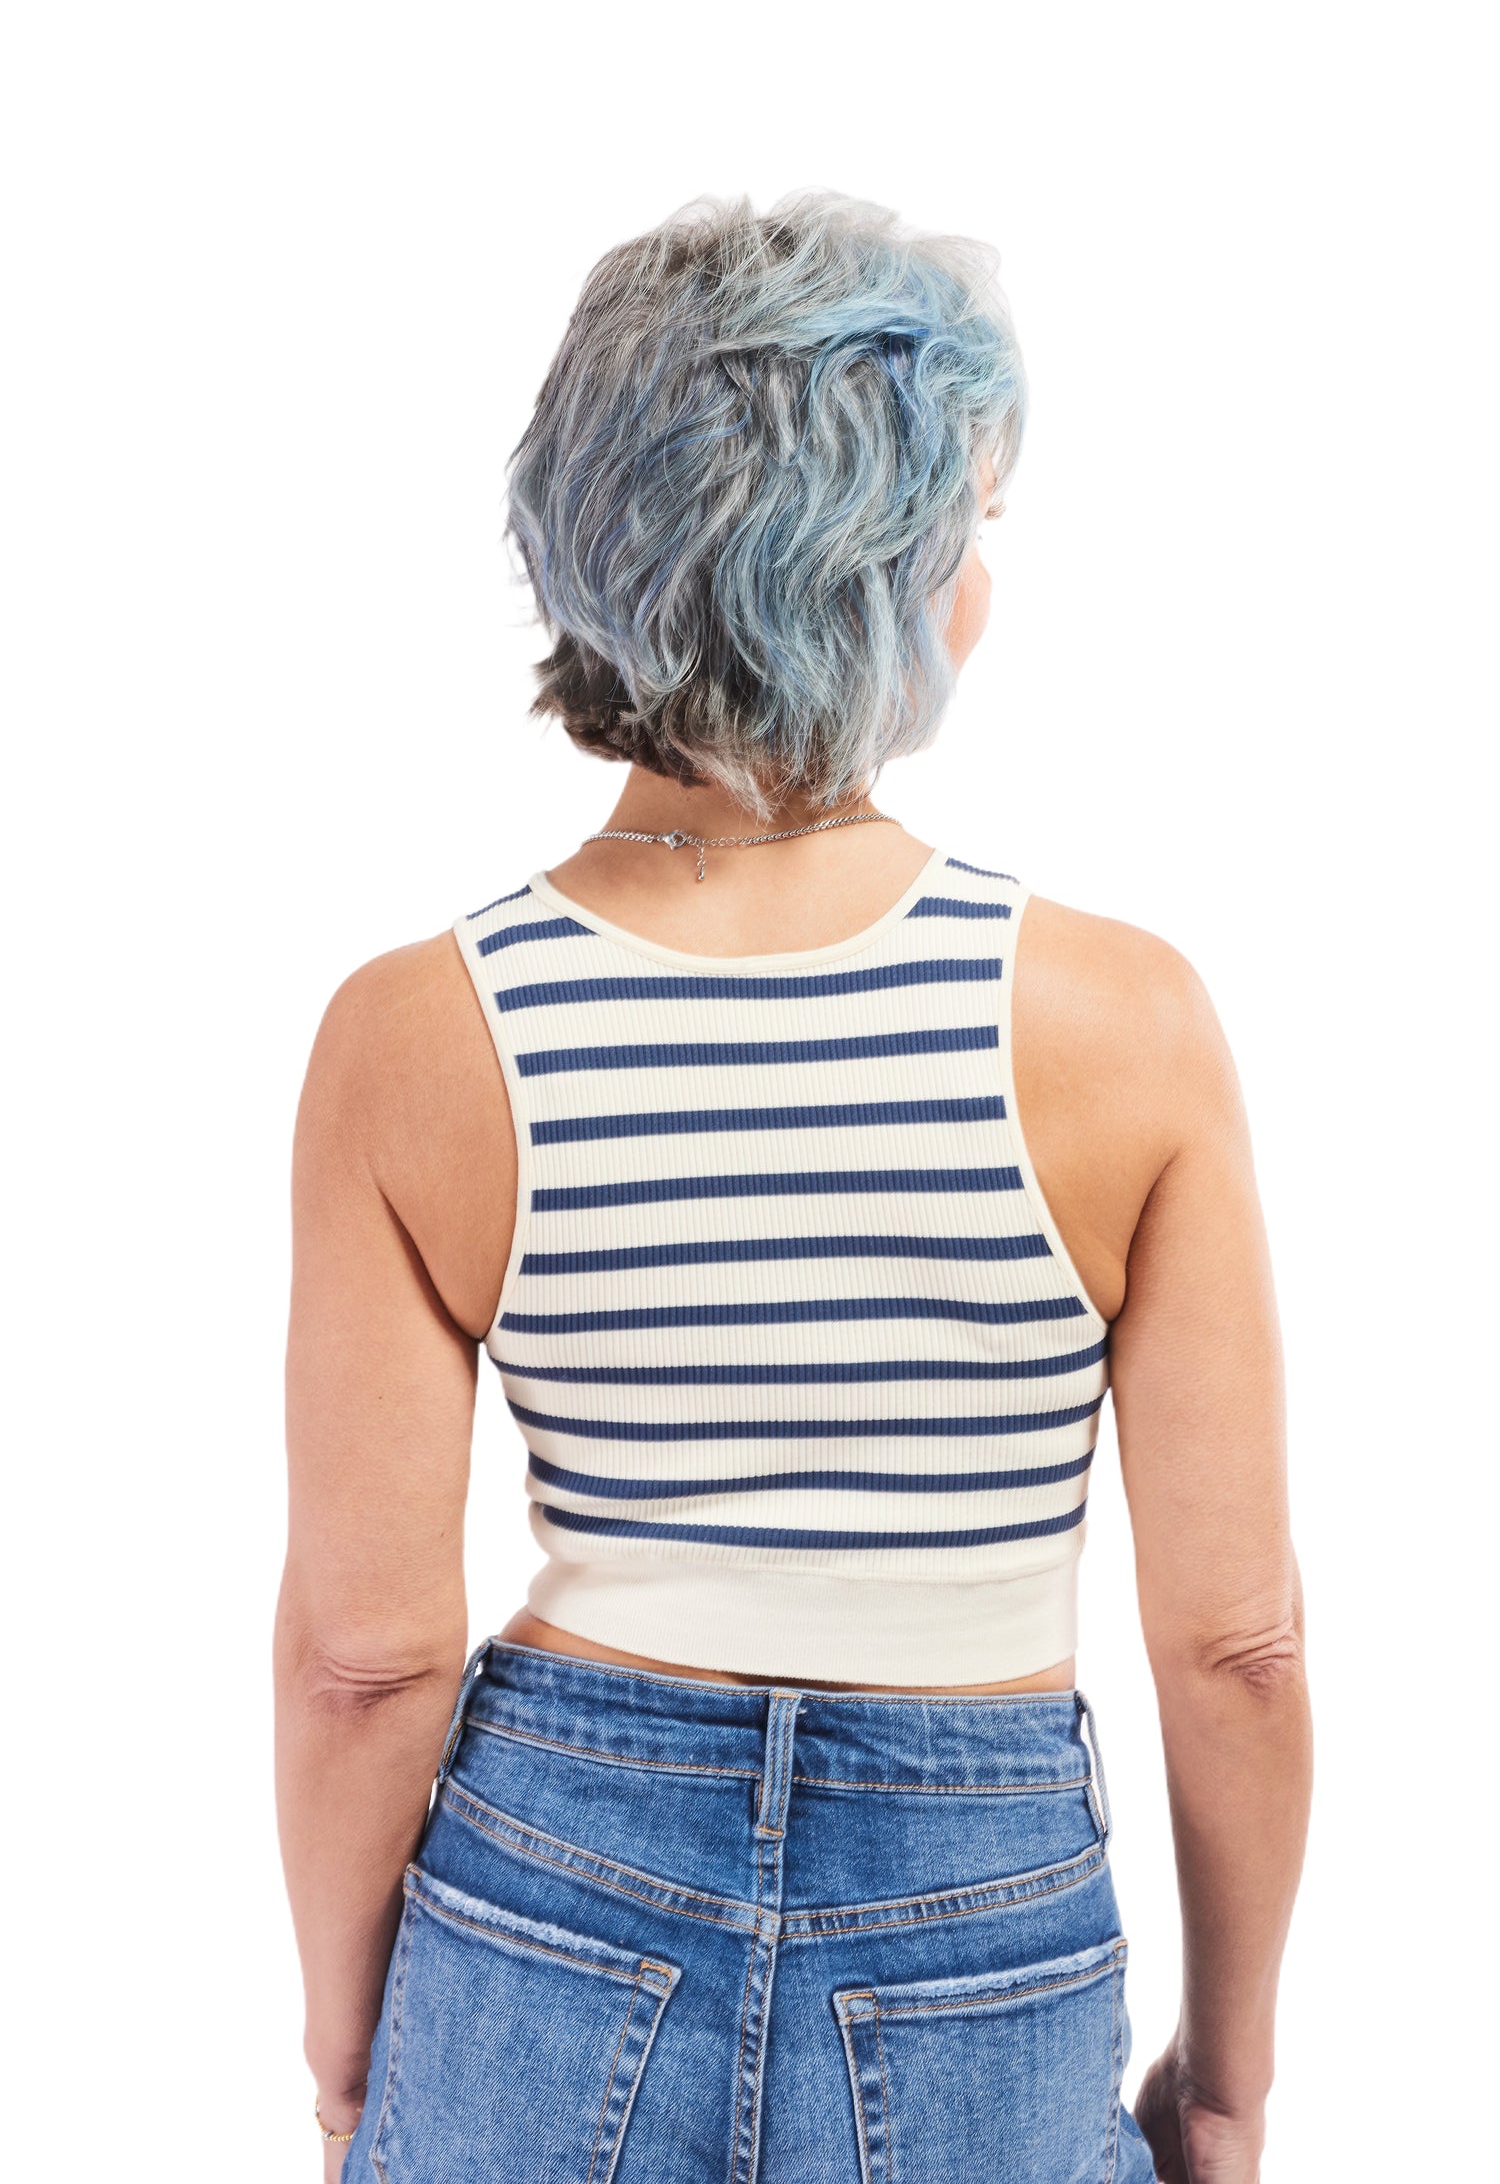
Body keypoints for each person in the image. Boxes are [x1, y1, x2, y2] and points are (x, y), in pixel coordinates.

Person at [275, 190, 1311, 2183]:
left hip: (542, 1894)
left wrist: (351, 2049)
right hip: (982, 1914)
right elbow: (1237, 1646)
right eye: (971, 529)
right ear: (887, 574)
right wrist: (1229, 2078)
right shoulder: (1119, 1022)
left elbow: (362, 1657)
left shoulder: (421, 1034)